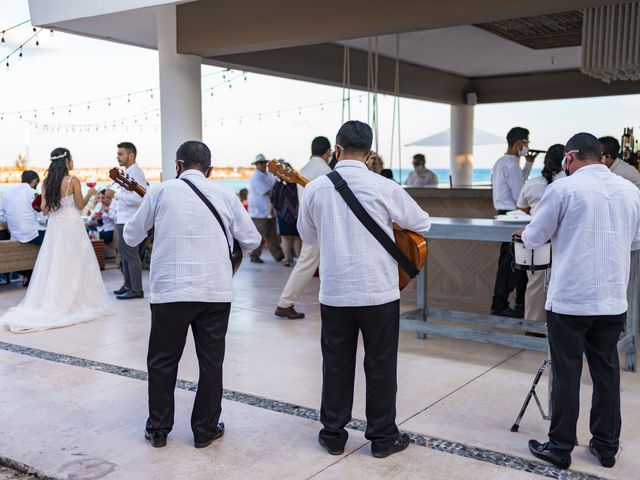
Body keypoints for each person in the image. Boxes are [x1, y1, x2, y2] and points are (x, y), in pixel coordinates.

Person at [297, 121, 431, 458]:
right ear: (370, 154)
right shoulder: (384, 187)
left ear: (336, 150)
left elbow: (309, 237)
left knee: (336, 364)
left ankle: (333, 434)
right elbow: (422, 223)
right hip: (379, 293)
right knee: (382, 364)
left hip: (336, 293)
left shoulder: (315, 188)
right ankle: (383, 439)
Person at [123, 141, 261, 449]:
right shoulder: (225, 194)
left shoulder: (160, 191)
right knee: (211, 363)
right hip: (214, 291)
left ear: (177, 165)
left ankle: (158, 429)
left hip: (170, 292)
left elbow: (131, 236)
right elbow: (252, 240)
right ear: (209, 170)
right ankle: (204, 430)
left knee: (162, 361)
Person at [517, 133, 640, 471]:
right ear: (601, 156)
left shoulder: (563, 188)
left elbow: (535, 236)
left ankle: (559, 447)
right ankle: (606, 446)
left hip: (571, 298)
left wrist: (525, 234)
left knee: (567, 372)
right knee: (606, 373)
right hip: (613, 300)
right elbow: (635, 239)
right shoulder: (630, 190)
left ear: (569, 159)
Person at [0, 148, 114, 333]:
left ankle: (56, 300)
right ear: (67, 161)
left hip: (55, 225)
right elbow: (80, 205)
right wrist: (91, 193)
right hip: (72, 224)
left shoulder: (46, 183)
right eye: (72, 158)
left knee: (55, 262)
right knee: (76, 262)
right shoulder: (73, 181)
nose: (73, 161)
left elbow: (44, 210)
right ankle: (77, 300)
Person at [275, 136, 332, 319]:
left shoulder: (305, 169)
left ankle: (287, 303)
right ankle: (285, 303)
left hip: (309, 222)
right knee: (306, 264)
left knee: (312, 264)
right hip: (322, 225)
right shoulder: (325, 170)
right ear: (328, 152)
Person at [490, 127, 538, 318]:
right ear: (519, 143)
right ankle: (500, 304)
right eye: (526, 143)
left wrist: (528, 165)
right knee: (510, 263)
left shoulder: (504, 162)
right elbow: (521, 196)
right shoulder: (510, 165)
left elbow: (519, 184)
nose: (527, 147)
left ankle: (518, 302)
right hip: (513, 215)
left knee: (517, 262)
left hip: (508, 214)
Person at [516, 144, 565, 322]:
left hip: (536, 238)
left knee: (536, 285)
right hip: (562, 241)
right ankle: (556, 326)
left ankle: (532, 326)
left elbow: (521, 208)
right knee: (561, 284)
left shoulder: (532, 183)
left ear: (545, 161)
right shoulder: (568, 182)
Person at [113, 142, 147, 300]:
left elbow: (140, 198)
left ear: (131, 155)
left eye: (121, 154)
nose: (118, 157)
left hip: (130, 220)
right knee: (125, 255)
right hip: (123, 218)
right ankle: (127, 285)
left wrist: (117, 195)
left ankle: (136, 289)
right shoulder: (127, 172)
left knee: (131, 255)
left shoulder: (137, 173)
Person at [0, 170, 46, 286]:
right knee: (53, 238)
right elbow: (42, 215)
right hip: (30, 234)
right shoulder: (31, 193)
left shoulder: (7, 193)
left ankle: (29, 274)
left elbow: (1, 216)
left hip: (15, 234)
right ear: (35, 180)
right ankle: (43, 277)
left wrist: (12, 224)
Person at [248, 153, 284, 263]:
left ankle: (279, 255)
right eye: (260, 163)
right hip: (258, 212)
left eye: (264, 163)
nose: (262, 165)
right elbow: (269, 192)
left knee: (272, 235)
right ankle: (254, 256)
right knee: (259, 236)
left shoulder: (268, 175)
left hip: (268, 211)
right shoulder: (256, 178)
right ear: (256, 165)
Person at [270, 161, 302, 267]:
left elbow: (273, 199)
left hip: (282, 214)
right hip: (296, 214)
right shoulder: (296, 183)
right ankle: (299, 260)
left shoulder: (278, 183)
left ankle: (287, 260)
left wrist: (271, 212)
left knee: (285, 238)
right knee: (296, 238)